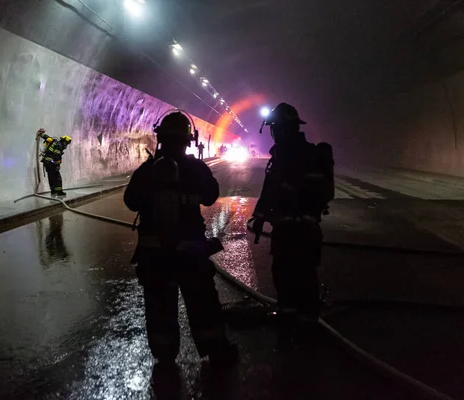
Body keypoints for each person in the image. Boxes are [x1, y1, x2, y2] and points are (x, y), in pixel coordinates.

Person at [124, 111, 238, 367]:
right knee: (203, 303)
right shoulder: (195, 168)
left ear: (160, 137)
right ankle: (215, 350)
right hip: (190, 254)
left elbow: (130, 201)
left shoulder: (147, 169)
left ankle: (164, 356)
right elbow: (210, 196)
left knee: (159, 305)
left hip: (155, 256)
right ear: (189, 139)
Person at [252, 103, 334, 335]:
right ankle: (302, 323)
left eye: (275, 128)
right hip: (305, 229)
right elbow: (270, 189)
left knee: (289, 275)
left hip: (290, 229)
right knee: (302, 274)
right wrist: (259, 216)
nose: (274, 133)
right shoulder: (301, 153)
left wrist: (264, 215)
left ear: (282, 128)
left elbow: (273, 188)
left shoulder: (288, 156)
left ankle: (294, 326)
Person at [36, 128, 72, 197]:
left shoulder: (54, 141)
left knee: (51, 177)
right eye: (66, 143)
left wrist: (41, 134)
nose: (66, 145)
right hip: (51, 163)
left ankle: (53, 191)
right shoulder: (60, 146)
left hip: (46, 162)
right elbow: (56, 156)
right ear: (64, 141)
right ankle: (59, 192)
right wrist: (57, 165)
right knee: (57, 177)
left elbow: (47, 137)